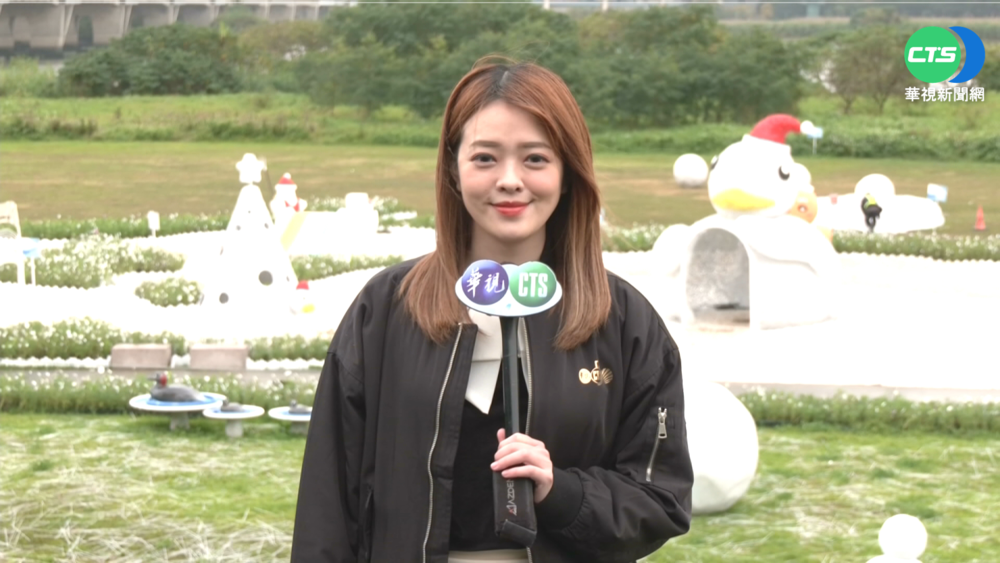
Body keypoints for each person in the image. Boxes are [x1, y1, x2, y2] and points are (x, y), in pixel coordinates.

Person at [291, 57, 693, 563]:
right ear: (453, 171)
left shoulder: (625, 322)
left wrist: (560, 492)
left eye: (535, 159)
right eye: (484, 158)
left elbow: (661, 498)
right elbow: (330, 497)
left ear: (568, 174)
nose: (509, 180)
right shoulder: (385, 309)